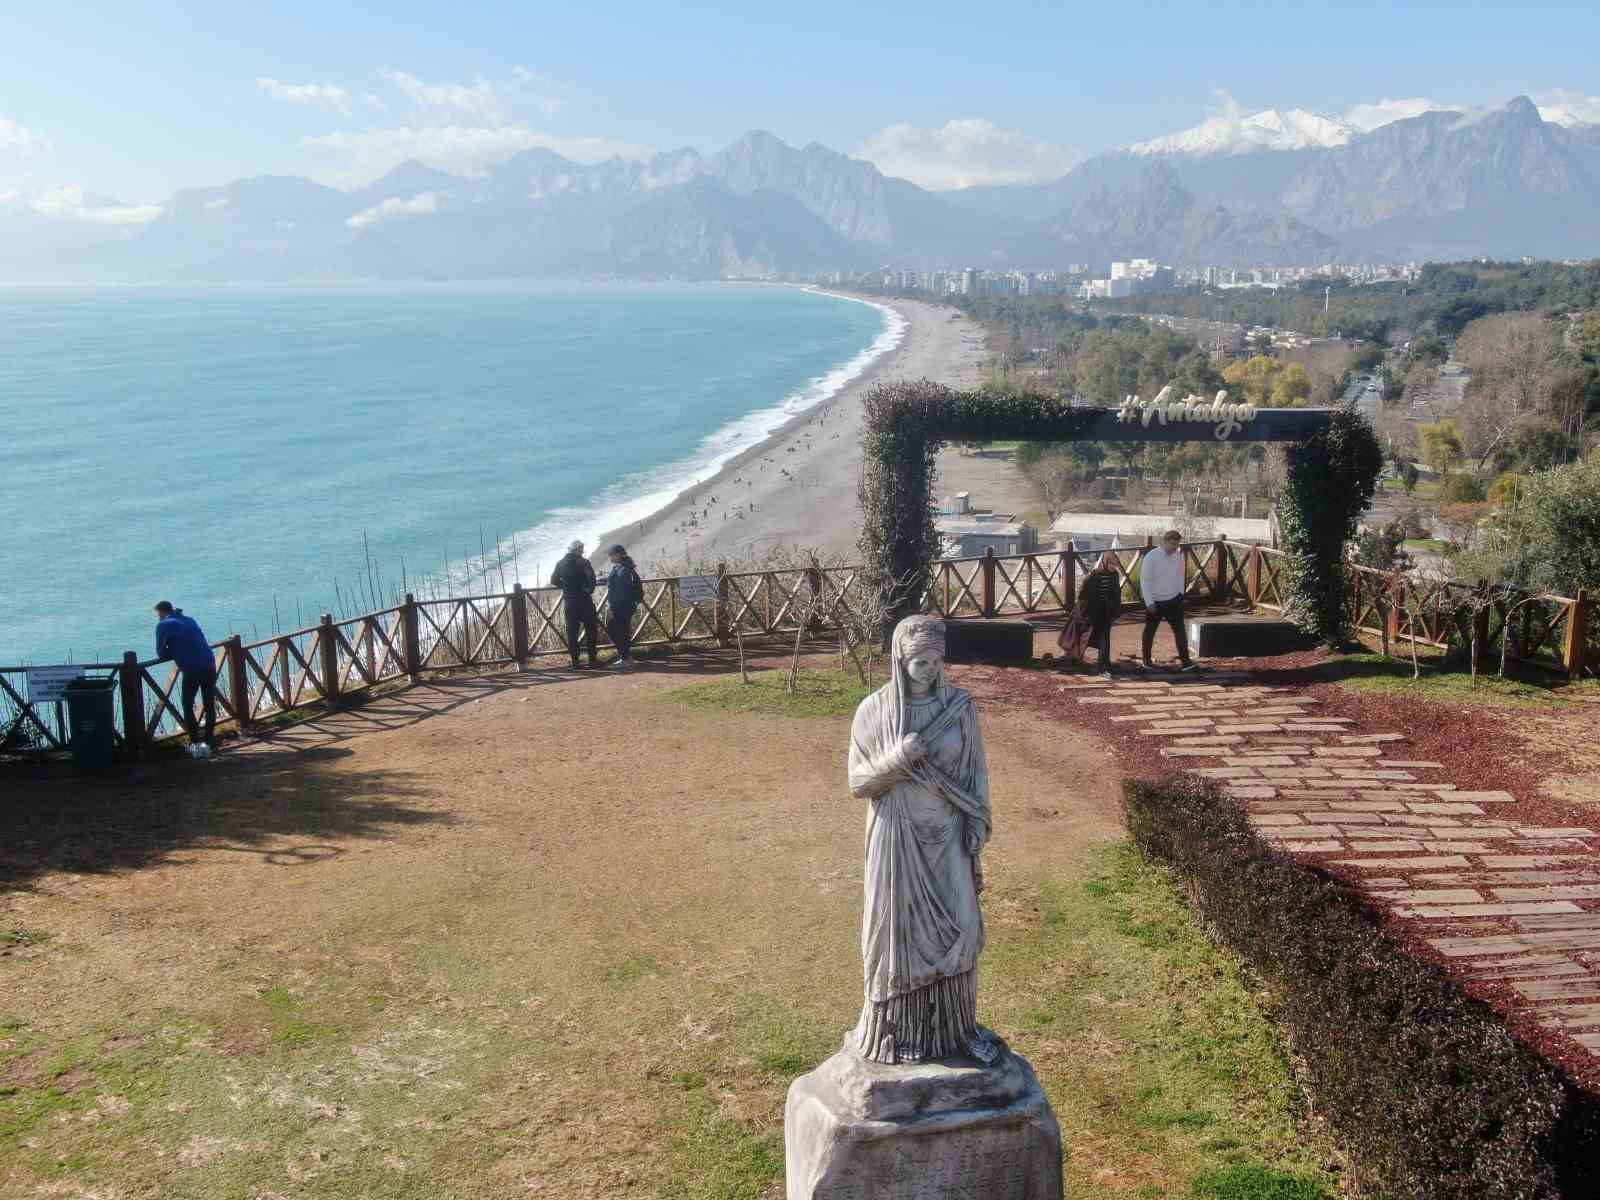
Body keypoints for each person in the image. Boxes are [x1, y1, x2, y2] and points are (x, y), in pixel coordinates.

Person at [846, 615, 998, 1066]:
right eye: (919, 662)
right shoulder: (873, 711)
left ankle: (955, 1031)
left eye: (935, 660)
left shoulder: (959, 708)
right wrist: (897, 758)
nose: (929, 669)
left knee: (961, 928)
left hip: (948, 835)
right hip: (897, 840)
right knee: (900, 935)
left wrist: (976, 818)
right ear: (899, 659)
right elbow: (859, 783)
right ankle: (897, 1034)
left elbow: (976, 773)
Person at [153, 601, 218, 757]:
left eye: (158, 615)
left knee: (187, 704)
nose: (158, 618)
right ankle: (209, 741)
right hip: (209, 663)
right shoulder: (189, 619)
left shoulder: (163, 625)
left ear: (162, 613)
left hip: (192, 668)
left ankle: (195, 742)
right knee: (209, 703)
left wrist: (174, 650)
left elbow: (161, 653)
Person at [1139, 530, 1197, 672]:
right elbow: (1144, 581)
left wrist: (1180, 595)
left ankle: (1186, 662)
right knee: (1149, 631)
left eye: (1177, 545)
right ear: (1164, 542)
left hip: (1173, 600)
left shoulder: (1178, 556)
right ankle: (1146, 661)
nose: (1175, 547)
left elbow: (1179, 576)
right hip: (1155, 601)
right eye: (1172, 544)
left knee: (1180, 631)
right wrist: (1149, 602)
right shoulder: (1151, 557)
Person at [550, 540, 599, 669]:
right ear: (577, 550)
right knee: (591, 630)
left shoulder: (560, 563)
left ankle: (575, 662)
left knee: (572, 633)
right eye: (581, 549)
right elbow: (591, 579)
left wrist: (565, 587)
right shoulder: (583, 562)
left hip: (570, 601)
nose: (583, 551)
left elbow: (553, 580)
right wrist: (589, 590)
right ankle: (592, 661)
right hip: (584, 600)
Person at [1081, 551, 1123, 676]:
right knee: (1089, 636)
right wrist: (1085, 609)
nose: (1113, 567)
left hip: (1107, 610)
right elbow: (1084, 592)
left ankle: (1104, 665)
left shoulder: (1115, 575)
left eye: (1115, 565)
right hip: (1094, 610)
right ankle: (1100, 665)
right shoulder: (1094, 574)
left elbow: (1116, 593)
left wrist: (1116, 611)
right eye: (1111, 564)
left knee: (1105, 637)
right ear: (1105, 562)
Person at [603, 544, 644, 669]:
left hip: (621, 606)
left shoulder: (623, 569)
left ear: (618, 554)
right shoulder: (624, 567)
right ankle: (626, 657)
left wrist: (612, 608)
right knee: (622, 630)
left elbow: (620, 591)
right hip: (627, 605)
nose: (609, 557)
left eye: (611, 554)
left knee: (615, 630)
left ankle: (625, 658)